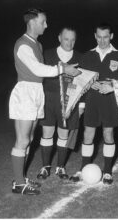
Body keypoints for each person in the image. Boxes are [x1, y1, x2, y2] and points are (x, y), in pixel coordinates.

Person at [9, 8, 80, 195]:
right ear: (32, 22)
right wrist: (63, 68)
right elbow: (37, 69)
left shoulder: (37, 45)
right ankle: (18, 183)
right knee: (23, 140)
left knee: (30, 138)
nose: (46, 25)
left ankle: (21, 179)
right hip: (26, 92)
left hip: (36, 92)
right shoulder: (23, 44)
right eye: (43, 22)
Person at [69, 23, 118, 184]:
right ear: (95, 36)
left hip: (110, 101)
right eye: (99, 37)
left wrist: (111, 86)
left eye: (106, 37)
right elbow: (80, 81)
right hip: (91, 100)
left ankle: (108, 171)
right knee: (88, 133)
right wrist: (88, 87)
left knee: (108, 133)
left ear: (111, 36)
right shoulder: (87, 56)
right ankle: (83, 168)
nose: (102, 41)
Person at [36, 27, 84, 180]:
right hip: (49, 98)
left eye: (72, 39)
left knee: (63, 134)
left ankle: (60, 167)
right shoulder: (47, 54)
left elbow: (83, 83)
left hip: (69, 100)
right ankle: (45, 167)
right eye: (66, 39)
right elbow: (39, 75)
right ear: (59, 38)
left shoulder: (80, 57)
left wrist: (81, 105)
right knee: (47, 133)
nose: (69, 42)